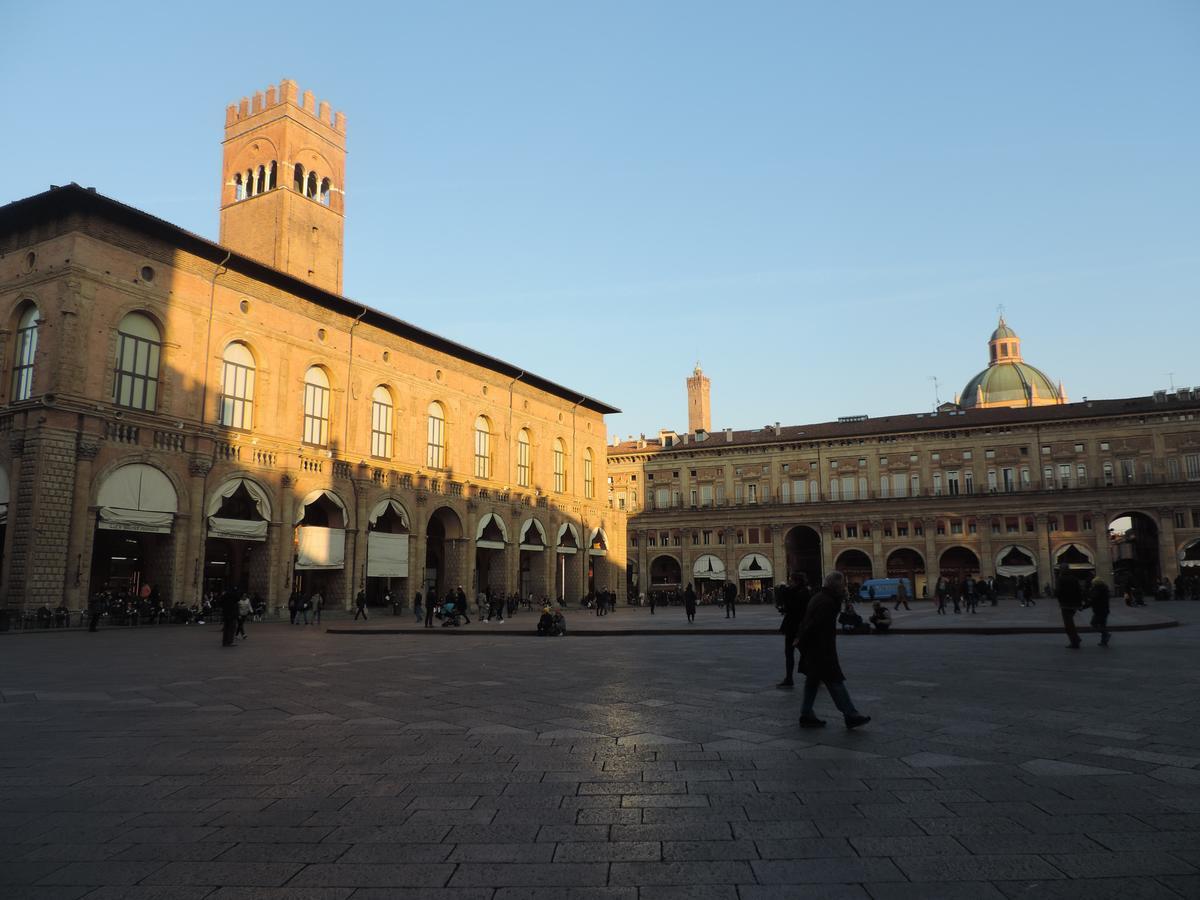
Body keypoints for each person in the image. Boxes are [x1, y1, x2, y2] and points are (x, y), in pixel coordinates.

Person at [794, 571, 870, 729]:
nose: (844, 588)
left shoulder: (820, 597)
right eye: (843, 585)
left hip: (814, 647)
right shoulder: (827, 601)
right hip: (821, 649)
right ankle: (850, 714)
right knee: (835, 681)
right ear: (837, 585)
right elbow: (816, 625)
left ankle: (806, 714)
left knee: (813, 682)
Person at [776, 572, 810, 689]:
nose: (789, 582)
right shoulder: (803, 591)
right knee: (793, 652)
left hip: (796, 627)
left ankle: (815, 675)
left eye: (791, 580)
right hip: (795, 626)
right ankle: (789, 678)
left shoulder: (801, 593)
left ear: (796, 581)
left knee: (803, 652)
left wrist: (785, 596)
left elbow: (794, 608)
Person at [1056, 566, 1084, 649]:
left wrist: (1059, 599)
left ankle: (1075, 641)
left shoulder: (1060, 579)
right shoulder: (1074, 579)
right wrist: (1080, 603)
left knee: (1068, 624)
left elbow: (1058, 592)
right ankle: (1076, 639)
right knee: (1070, 622)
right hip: (1074, 604)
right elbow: (1079, 591)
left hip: (1065, 604)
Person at [1089, 576, 1112, 647]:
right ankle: (1104, 641)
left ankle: (1106, 634)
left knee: (1093, 623)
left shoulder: (1097, 589)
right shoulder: (1104, 589)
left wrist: (1084, 606)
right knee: (1103, 625)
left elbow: (1093, 599)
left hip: (1099, 610)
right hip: (1105, 609)